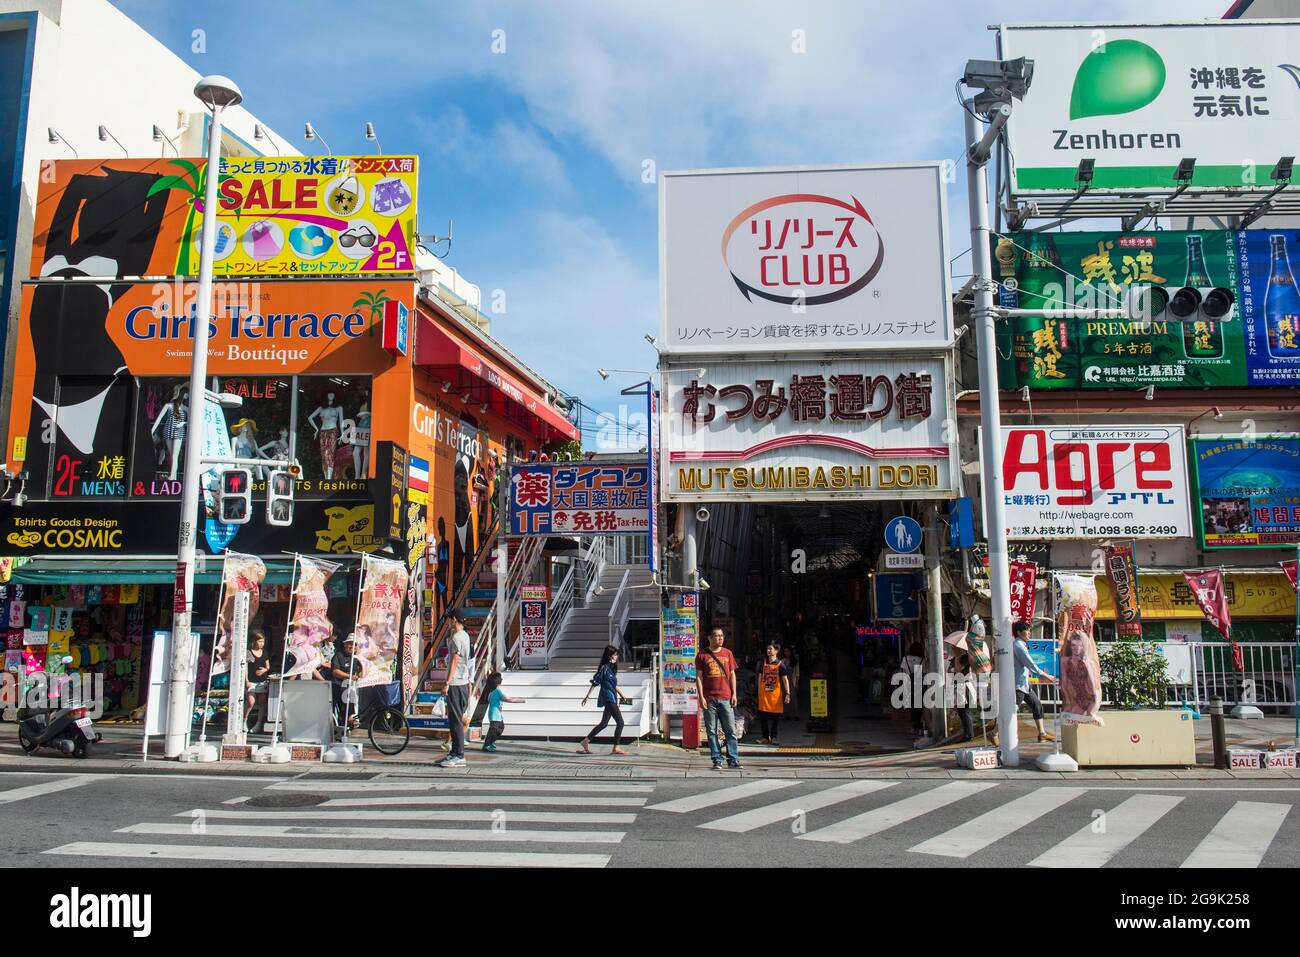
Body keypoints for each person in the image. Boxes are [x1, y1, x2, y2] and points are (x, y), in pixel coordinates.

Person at [696, 626, 741, 770]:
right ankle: (717, 759)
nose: (720, 638)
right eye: (717, 636)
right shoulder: (702, 655)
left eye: (722, 636)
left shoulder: (728, 653)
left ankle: (733, 758)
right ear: (709, 638)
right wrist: (701, 697)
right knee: (711, 731)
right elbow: (698, 677)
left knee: (730, 730)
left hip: (726, 697)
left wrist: (734, 693)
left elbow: (733, 674)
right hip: (710, 698)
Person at [577, 645, 633, 755]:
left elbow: (613, 685)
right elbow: (595, 682)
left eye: (617, 655)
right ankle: (616, 747)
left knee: (603, 723)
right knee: (620, 722)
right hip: (608, 698)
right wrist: (587, 697)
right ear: (610, 655)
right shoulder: (604, 668)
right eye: (615, 654)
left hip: (612, 697)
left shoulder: (611, 669)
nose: (617, 656)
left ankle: (585, 741)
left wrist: (622, 695)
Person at [436, 609, 471, 768]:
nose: (448, 622)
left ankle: (459, 755)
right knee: (455, 719)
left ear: (454, 619)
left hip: (456, 683)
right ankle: (454, 753)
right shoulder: (464, 635)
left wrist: (447, 683)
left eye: (450, 619)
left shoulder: (457, 637)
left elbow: (454, 661)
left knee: (455, 721)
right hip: (462, 682)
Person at [1014, 621, 1056, 742]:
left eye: (1029, 630)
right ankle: (995, 733)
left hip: (1024, 684)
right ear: (1018, 632)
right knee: (1012, 710)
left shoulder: (1021, 644)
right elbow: (1030, 664)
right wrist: (1046, 675)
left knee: (1037, 704)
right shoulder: (1018, 646)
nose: (1029, 633)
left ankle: (1042, 733)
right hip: (1018, 684)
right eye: (1026, 630)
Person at [755, 641, 791, 745]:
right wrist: (758, 693)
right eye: (767, 649)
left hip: (775, 697)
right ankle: (765, 737)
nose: (768, 651)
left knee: (775, 719)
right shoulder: (762, 663)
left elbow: (785, 680)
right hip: (764, 695)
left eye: (771, 649)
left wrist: (788, 693)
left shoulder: (781, 665)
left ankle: (774, 737)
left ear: (776, 651)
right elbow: (760, 678)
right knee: (763, 718)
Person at [481, 672, 525, 753]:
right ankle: (487, 745)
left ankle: (491, 743)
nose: (502, 679)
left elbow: (495, 700)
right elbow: (507, 699)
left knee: (500, 728)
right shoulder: (497, 691)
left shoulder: (492, 692)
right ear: (497, 681)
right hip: (495, 715)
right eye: (500, 678)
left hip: (496, 714)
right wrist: (521, 700)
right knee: (494, 730)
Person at [328, 635, 364, 729]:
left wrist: (359, 674)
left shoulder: (357, 658)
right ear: (345, 645)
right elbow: (335, 672)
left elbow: (361, 671)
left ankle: (350, 719)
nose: (352, 646)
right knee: (346, 691)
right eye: (350, 643)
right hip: (337, 685)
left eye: (355, 644)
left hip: (352, 686)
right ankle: (350, 718)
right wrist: (349, 676)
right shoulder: (338, 656)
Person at [899, 641, 925, 737]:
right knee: (919, 706)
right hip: (919, 684)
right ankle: (917, 727)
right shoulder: (922, 660)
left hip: (908, 684)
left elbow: (903, 672)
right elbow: (924, 672)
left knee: (912, 705)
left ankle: (914, 726)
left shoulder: (905, 659)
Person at [950, 651, 976, 742]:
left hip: (965, 686)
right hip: (960, 686)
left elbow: (958, 669)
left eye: (955, 647)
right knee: (961, 711)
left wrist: (957, 657)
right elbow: (951, 670)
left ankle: (969, 735)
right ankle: (967, 734)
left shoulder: (965, 657)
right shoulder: (958, 657)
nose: (953, 648)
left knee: (964, 711)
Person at [246, 631, 271, 726]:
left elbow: (268, 666)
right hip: (251, 681)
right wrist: (246, 680)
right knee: (250, 702)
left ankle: (258, 723)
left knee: (261, 703)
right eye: (260, 641)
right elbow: (245, 667)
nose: (261, 644)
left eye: (263, 642)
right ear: (254, 641)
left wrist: (264, 670)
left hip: (262, 681)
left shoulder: (264, 653)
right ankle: (245, 719)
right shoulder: (249, 652)